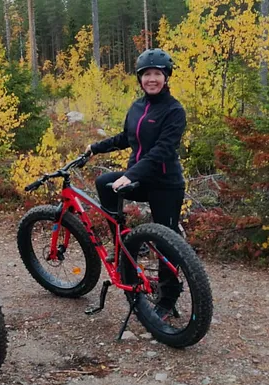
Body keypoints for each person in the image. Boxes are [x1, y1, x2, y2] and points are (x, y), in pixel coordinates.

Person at [85, 48, 186, 320]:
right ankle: (126, 244)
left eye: (157, 74)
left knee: (166, 242)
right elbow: (126, 137)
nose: (152, 79)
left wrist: (131, 175)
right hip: (139, 178)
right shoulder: (138, 107)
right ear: (140, 78)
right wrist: (96, 147)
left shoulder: (174, 110)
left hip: (165, 183)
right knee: (105, 183)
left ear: (166, 77)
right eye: (146, 74)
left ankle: (168, 299)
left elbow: (162, 150)